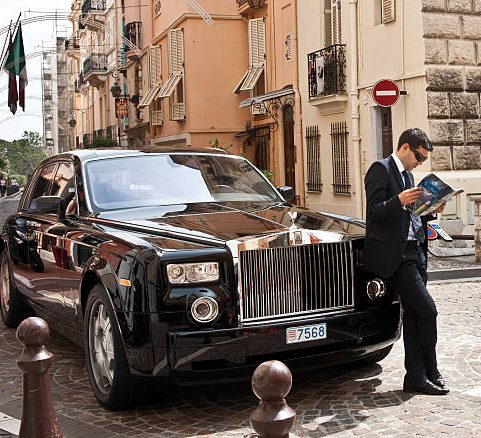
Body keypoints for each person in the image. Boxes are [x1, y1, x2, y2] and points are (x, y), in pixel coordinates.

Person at [363, 128, 449, 396]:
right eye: (419, 157)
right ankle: (431, 369)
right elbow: (375, 211)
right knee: (428, 311)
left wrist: (431, 210)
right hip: (397, 258)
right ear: (405, 148)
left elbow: (412, 217)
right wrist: (398, 200)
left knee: (414, 316)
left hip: (416, 252)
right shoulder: (381, 169)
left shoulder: (409, 176)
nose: (420, 163)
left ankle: (415, 376)